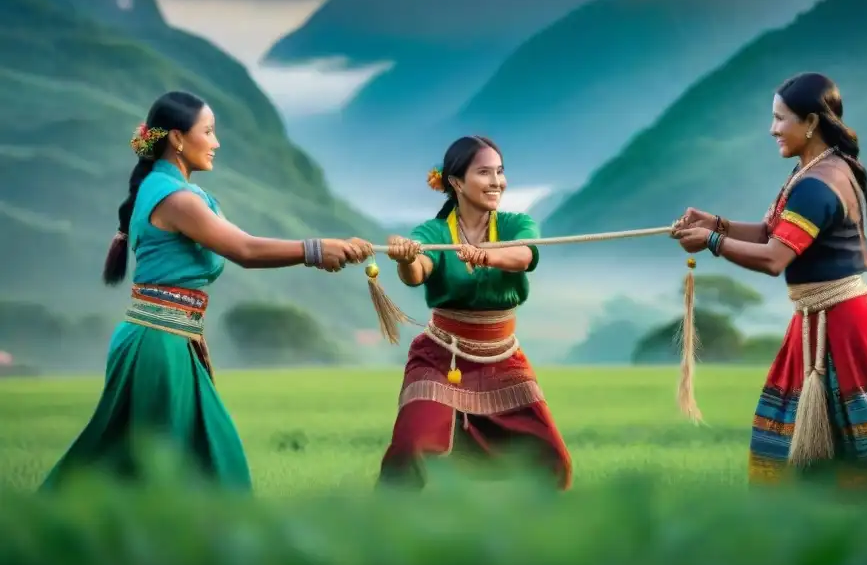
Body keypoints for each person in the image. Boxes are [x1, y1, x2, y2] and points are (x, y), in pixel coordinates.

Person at [40, 90, 374, 491]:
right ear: (178, 139)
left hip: (169, 340)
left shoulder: (181, 193)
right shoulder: (178, 200)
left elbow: (243, 239)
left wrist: (327, 247)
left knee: (177, 463)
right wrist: (317, 250)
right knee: (190, 466)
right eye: (209, 132)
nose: (216, 143)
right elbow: (246, 251)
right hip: (159, 345)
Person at [670, 72, 867, 496]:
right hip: (814, 323)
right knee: (787, 441)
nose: (772, 129)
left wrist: (711, 242)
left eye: (779, 119)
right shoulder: (813, 171)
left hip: (844, 328)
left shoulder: (818, 184)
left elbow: (774, 258)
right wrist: (714, 222)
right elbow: (773, 234)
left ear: (810, 123)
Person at [376, 136, 572, 490]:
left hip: (502, 356)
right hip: (441, 356)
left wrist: (486, 255)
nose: (497, 181)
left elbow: (525, 256)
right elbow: (418, 272)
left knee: (552, 461)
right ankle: (388, 529)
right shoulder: (434, 232)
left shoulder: (515, 225)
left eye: (499, 171)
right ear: (456, 182)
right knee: (410, 449)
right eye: (484, 172)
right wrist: (406, 259)